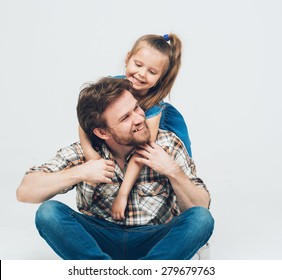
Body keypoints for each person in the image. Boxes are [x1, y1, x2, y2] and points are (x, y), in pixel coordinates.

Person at [16, 77, 214, 260]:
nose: (138, 118)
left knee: (201, 219)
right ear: (102, 132)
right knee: (48, 213)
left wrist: (173, 170)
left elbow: (199, 208)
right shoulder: (84, 153)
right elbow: (25, 192)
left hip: (155, 239)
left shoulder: (167, 144)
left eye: (137, 108)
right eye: (125, 118)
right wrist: (81, 172)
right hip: (101, 238)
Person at [79, 33, 193, 220]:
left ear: (161, 77)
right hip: (122, 134)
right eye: (138, 65)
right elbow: (84, 123)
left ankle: (189, 218)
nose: (141, 74)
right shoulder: (112, 87)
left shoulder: (153, 108)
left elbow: (143, 150)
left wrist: (123, 195)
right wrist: (91, 154)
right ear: (127, 58)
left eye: (152, 72)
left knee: (178, 171)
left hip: (153, 133)